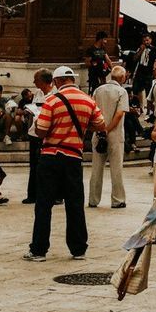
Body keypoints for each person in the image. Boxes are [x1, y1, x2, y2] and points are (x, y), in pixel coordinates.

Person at [26, 65, 104, 261]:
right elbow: (101, 124)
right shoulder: (88, 100)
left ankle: (39, 250)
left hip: (51, 155)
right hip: (73, 157)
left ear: (57, 82)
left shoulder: (51, 101)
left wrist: (37, 123)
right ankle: (78, 248)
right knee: (75, 202)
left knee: (44, 203)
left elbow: (41, 130)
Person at [90, 64, 130, 209]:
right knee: (116, 168)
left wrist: (99, 129)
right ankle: (117, 199)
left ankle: (93, 199)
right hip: (115, 134)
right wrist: (107, 130)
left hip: (98, 132)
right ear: (122, 77)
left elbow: (92, 111)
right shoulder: (122, 92)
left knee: (96, 168)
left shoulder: (98, 90)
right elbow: (119, 114)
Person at [19, 68, 55, 203]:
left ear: (43, 81)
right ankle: (33, 194)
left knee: (50, 165)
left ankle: (54, 195)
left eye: (36, 80)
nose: (34, 82)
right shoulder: (38, 93)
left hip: (49, 133)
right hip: (35, 131)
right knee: (34, 164)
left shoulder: (55, 94)